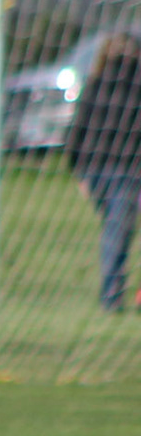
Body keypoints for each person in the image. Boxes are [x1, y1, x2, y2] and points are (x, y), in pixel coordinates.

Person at [64, 32, 141, 313]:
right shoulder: (135, 87)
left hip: (95, 171)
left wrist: (78, 170)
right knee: (117, 232)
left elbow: (76, 130)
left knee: (114, 228)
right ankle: (111, 295)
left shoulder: (94, 84)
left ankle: (113, 293)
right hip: (125, 170)